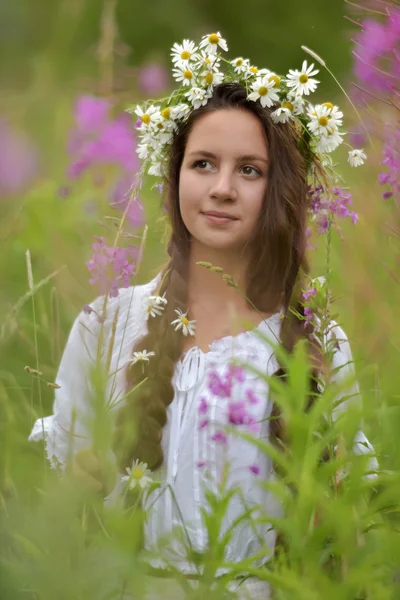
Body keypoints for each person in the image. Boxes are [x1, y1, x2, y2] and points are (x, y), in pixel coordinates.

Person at [29, 33, 376, 600]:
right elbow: (60, 518)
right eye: (203, 164)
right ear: (175, 177)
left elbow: (352, 519)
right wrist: (75, 487)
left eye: (250, 170)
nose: (220, 189)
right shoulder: (107, 325)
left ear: (282, 190)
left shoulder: (318, 343)